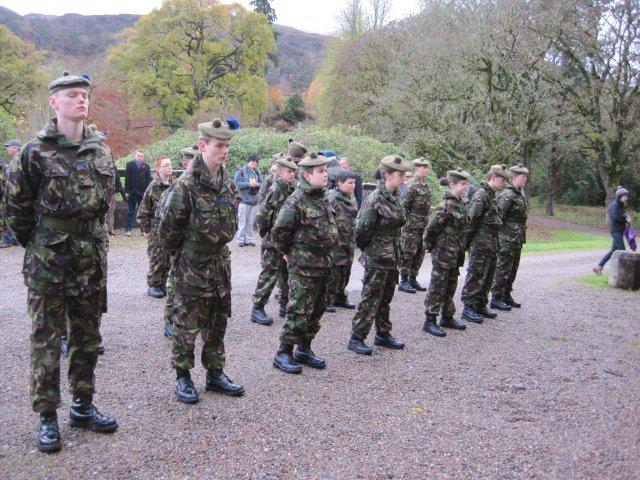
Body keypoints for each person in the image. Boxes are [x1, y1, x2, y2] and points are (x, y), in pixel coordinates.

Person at [4, 71, 118, 453]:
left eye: (84, 94)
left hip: (89, 258)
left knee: (87, 338)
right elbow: (16, 212)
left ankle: (83, 406)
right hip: (49, 260)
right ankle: (48, 416)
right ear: (54, 102)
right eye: (72, 95)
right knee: (47, 340)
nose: (81, 100)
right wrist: (42, 243)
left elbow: (106, 203)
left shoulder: (100, 149)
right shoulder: (34, 152)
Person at [158, 118, 245, 404]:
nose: (224, 151)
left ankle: (215, 373)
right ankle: (182, 376)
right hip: (192, 266)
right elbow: (167, 233)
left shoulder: (227, 183)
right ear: (202, 145)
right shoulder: (185, 187)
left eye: (227, 146)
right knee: (187, 324)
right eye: (219, 145)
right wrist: (183, 261)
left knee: (218, 320)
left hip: (220, 262)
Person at [271, 153, 337, 374]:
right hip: (303, 266)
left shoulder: (323, 198)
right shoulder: (296, 200)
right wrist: (288, 253)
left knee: (317, 310)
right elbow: (279, 232)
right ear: (307, 175)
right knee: (299, 310)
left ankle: (304, 348)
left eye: (326, 171)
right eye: (321, 172)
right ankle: (283, 352)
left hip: (324, 263)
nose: (325, 175)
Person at [347, 155, 413, 356]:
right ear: (387, 175)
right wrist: (372, 250)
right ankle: (357, 337)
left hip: (392, 255)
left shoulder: (395, 198)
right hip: (376, 257)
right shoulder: (374, 199)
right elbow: (361, 231)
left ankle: (383, 333)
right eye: (400, 174)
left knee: (386, 296)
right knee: (370, 297)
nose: (404, 178)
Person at [422, 168, 471, 337]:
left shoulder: (461, 204)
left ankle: (447, 316)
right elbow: (431, 229)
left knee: (451, 285)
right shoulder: (445, 206)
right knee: (438, 286)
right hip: (443, 253)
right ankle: (430, 320)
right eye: (463, 184)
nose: (466, 187)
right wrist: (431, 248)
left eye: (466, 183)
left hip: (455, 253)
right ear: (452, 185)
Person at [250, 156, 299, 325]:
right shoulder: (276, 188)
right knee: (269, 274)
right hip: (273, 240)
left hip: (285, 240)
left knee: (285, 275)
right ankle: (257, 308)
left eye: (293, 171)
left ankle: (284, 306)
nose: (291, 174)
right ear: (279, 172)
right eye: (288, 171)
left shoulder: (290, 188)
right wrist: (267, 235)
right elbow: (263, 214)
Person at [460, 164, 509, 324]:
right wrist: (466, 245)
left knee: (487, 276)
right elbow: (471, 222)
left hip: (491, 245)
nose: (505, 183)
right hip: (480, 245)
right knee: (476, 274)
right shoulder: (481, 196)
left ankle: (480, 304)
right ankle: (468, 307)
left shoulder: (492, 196)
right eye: (503, 179)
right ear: (493, 177)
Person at [161, 145, 198, 339]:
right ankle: (169, 319)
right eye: (193, 160)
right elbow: (166, 220)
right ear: (186, 164)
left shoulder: (199, 184)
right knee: (174, 285)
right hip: (181, 247)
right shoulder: (179, 185)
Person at [490, 164, 529, 310]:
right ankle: (496, 297)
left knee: (513, 268)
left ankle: (506, 294)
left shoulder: (520, 192)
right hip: (507, 239)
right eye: (522, 176)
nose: (525, 179)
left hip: (517, 239)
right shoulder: (508, 194)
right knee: (503, 268)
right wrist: (501, 237)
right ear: (513, 177)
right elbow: (500, 217)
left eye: (526, 176)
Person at [137, 155, 174, 298]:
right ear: (158, 168)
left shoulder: (175, 185)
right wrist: (146, 229)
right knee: (157, 257)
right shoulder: (153, 186)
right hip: (156, 229)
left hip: (171, 229)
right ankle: (153, 284)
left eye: (170, 164)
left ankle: (162, 283)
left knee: (168, 258)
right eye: (166, 165)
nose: (169, 167)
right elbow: (143, 210)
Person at [398, 157, 432, 294]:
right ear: (417, 169)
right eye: (425, 167)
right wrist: (406, 223)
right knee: (408, 251)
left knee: (420, 252)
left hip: (423, 223)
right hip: (411, 224)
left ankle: (413, 277)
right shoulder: (411, 185)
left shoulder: (427, 185)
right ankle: (404, 280)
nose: (427, 170)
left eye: (427, 167)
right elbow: (404, 206)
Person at [327, 169, 358, 310]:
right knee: (334, 271)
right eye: (350, 183)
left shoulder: (350, 199)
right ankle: (327, 299)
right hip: (336, 243)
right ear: (339, 183)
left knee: (346, 270)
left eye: (354, 183)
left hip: (349, 241)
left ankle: (340, 296)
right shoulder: (332, 199)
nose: (353, 186)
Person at [593, 186, 631, 275]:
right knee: (622, 251)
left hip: (620, 230)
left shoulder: (620, 205)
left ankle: (598, 267)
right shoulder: (615, 205)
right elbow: (615, 217)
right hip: (616, 231)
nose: (626, 198)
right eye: (624, 196)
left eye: (626, 196)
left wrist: (626, 218)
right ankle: (622, 273)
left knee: (613, 251)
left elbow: (621, 215)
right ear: (619, 197)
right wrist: (626, 218)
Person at [234, 153, 262, 247]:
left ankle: (249, 239)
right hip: (243, 200)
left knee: (250, 222)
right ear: (249, 161)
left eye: (256, 162)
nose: (255, 163)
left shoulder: (257, 172)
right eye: (253, 161)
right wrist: (249, 184)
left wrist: (257, 185)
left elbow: (262, 183)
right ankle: (240, 240)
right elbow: (237, 184)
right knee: (242, 221)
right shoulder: (241, 171)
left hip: (253, 200)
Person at [124, 150, 152, 235]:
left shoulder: (146, 166)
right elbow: (127, 178)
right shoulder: (130, 164)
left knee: (142, 212)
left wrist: (147, 192)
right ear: (135, 156)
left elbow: (148, 180)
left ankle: (143, 230)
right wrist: (127, 191)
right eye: (139, 156)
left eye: (141, 156)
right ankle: (128, 229)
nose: (140, 157)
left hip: (142, 192)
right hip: (132, 191)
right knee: (130, 211)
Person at [2, 139, 22, 246]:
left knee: (12, 215)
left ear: (15, 148)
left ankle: (9, 240)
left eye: (9, 147)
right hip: (11, 194)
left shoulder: (20, 160)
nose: (7, 149)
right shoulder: (13, 161)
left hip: (17, 194)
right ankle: (13, 239)